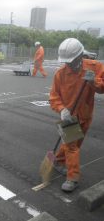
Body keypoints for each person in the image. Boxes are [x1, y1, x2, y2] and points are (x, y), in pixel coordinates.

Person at [49, 38, 104, 192]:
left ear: (81, 56)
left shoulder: (94, 67)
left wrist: (94, 82)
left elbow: (102, 89)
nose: (69, 64)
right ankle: (72, 178)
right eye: (66, 62)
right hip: (68, 117)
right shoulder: (60, 74)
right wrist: (61, 109)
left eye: (72, 61)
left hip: (85, 114)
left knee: (74, 144)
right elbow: (54, 97)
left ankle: (58, 161)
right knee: (72, 147)